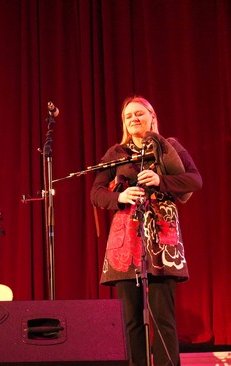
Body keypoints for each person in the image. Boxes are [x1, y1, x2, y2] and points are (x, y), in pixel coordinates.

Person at [90, 96, 202, 366]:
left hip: (161, 237)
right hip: (125, 241)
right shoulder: (116, 152)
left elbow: (194, 180)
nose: (134, 119)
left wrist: (161, 180)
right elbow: (96, 192)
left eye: (139, 113)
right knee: (130, 318)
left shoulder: (169, 146)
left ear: (152, 116)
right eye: (128, 116)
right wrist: (120, 196)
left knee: (163, 316)